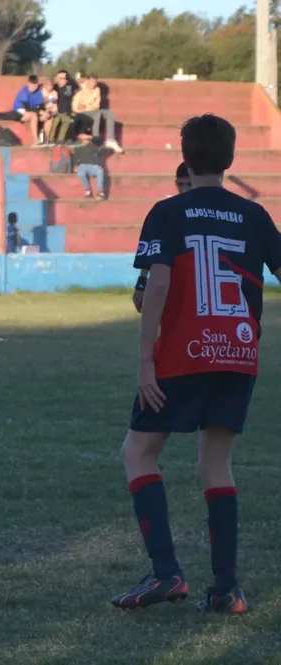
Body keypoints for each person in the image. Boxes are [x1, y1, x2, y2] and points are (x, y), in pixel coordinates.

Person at [110, 114, 280, 614]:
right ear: (230, 158)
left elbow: (156, 286)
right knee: (215, 462)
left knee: (139, 452)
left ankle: (167, 574)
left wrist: (145, 360)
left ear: (185, 157)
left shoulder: (168, 212)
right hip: (238, 353)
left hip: (185, 352)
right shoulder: (254, 216)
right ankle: (227, 588)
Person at [133, 163, 192, 312]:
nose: (184, 189)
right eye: (180, 184)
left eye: (189, 184)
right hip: (171, 282)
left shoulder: (207, 212)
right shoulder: (165, 211)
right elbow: (151, 249)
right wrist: (141, 284)